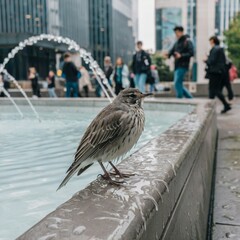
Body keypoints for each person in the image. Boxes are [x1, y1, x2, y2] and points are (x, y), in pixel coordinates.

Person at [165, 26, 193, 98]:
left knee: (177, 82)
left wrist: (181, 55)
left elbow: (191, 53)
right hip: (177, 65)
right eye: (175, 33)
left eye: (177, 32)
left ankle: (179, 98)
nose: (176, 34)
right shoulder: (176, 42)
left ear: (181, 32)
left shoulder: (187, 41)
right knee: (179, 83)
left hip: (183, 65)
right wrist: (167, 54)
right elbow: (171, 51)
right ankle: (190, 98)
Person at [205, 36, 231, 113]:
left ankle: (225, 105)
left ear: (212, 41)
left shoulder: (215, 49)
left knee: (214, 90)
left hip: (214, 72)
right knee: (214, 90)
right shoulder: (220, 49)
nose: (210, 43)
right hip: (219, 72)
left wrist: (206, 59)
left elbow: (211, 61)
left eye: (210, 41)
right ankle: (212, 107)